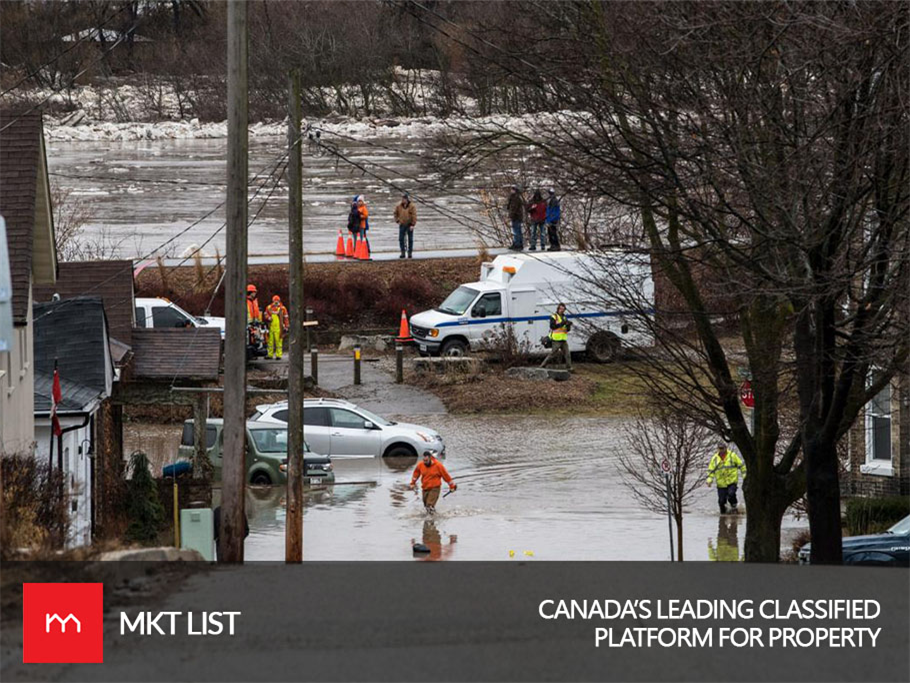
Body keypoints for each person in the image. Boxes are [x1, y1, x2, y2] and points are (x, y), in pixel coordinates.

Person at [409, 449, 456, 514]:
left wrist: (452, 486)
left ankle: (431, 521)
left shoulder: (438, 465)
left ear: (430, 458)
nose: (425, 462)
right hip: (425, 488)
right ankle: (433, 518)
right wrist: (412, 483)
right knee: (426, 507)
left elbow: (446, 476)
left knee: (429, 505)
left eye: (427, 461)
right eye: (424, 460)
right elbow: (416, 474)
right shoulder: (420, 465)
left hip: (435, 488)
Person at [706, 443, 747, 514]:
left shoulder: (732, 456)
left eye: (722, 448)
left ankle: (735, 509)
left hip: (732, 481)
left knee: (731, 495)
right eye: (720, 449)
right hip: (721, 484)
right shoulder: (715, 459)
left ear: (726, 448)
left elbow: (742, 466)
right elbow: (710, 471)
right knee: (721, 501)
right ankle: (723, 515)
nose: (721, 450)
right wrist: (709, 480)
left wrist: (745, 477)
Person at [540, 303, 572, 371]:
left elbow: (567, 329)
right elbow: (553, 327)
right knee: (552, 354)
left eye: (563, 309)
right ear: (558, 309)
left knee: (567, 354)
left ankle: (569, 368)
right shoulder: (554, 316)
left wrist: (568, 326)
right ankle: (542, 365)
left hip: (563, 339)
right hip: (556, 339)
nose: (562, 310)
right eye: (560, 309)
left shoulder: (564, 317)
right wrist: (562, 323)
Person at [264, 294, 289, 360]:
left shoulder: (282, 308)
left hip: (279, 328)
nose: (276, 302)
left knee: (279, 342)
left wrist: (286, 326)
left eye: (277, 301)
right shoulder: (269, 307)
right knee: (270, 342)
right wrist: (268, 318)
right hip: (271, 327)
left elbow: (286, 317)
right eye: (275, 301)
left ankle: (278, 355)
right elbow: (265, 314)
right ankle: (270, 354)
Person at [394, 192, 418, 259]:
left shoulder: (412, 206)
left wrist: (413, 224)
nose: (403, 200)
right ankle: (403, 252)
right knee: (401, 239)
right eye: (402, 199)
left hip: (409, 224)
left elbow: (414, 216)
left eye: (404, 199)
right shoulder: (398, 206)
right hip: (402, 224)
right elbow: (395, 214)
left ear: (407, 199)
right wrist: (397, 221)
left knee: (410, 239)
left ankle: (410, 253)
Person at [507, 185, 525, 251]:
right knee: (518, 231)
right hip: (517, 216)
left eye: (512, 189)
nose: (511, 190)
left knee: (516, 231)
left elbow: (513, 208)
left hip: (516, 217)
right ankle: (518, 243)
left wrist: (511, 216)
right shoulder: (515, 197)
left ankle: (517, 244)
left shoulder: (516, 198)